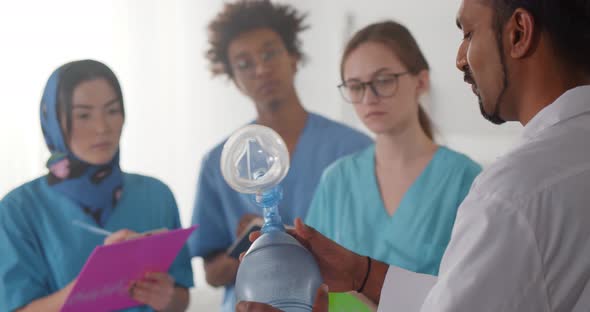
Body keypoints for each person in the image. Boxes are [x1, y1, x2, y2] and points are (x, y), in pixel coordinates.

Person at [237, 0, 590, 311]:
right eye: (356, 86)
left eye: (468, 33)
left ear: (518, 32)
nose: (459, 58)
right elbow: (467, 292)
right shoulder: (558, 166)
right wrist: (362, 273)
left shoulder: (507, 192)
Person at [187, 0, 372, 311]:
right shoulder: (219, 163)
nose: (261, 69)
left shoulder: (353, 149)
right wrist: (256, 246)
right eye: (244, 64)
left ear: (294, 57)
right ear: (233, 77)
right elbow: (213, 274)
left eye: (270, 53)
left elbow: (372, 252)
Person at [304, 20, 481, 311]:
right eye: (356, 86)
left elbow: (475, 291)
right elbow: (312, 283)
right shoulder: (337, 180)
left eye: (384, 80)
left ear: (421, 81)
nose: (369, 98)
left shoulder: (465, 180)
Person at [0, 60, 194, 312]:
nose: (102, 128)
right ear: (54, 121)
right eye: (83, 115)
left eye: (112, 111)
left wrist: (166, 298)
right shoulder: (17, 210)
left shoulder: (156, 195)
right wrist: (94, 282)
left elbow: (181, 297)